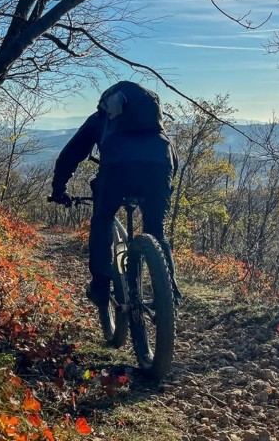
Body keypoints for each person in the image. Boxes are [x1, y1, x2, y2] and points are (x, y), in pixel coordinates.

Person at [49, 81, 181, 309]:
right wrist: (165, 187)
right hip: (159, 171)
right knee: (157, 232)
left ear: (107, 102)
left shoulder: (101, 118)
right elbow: (172, 157)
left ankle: (100, 288)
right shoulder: (153, 121)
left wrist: (59, 190)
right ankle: (172, 295)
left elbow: (71, 155)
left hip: (117, 172)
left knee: (102, 220)